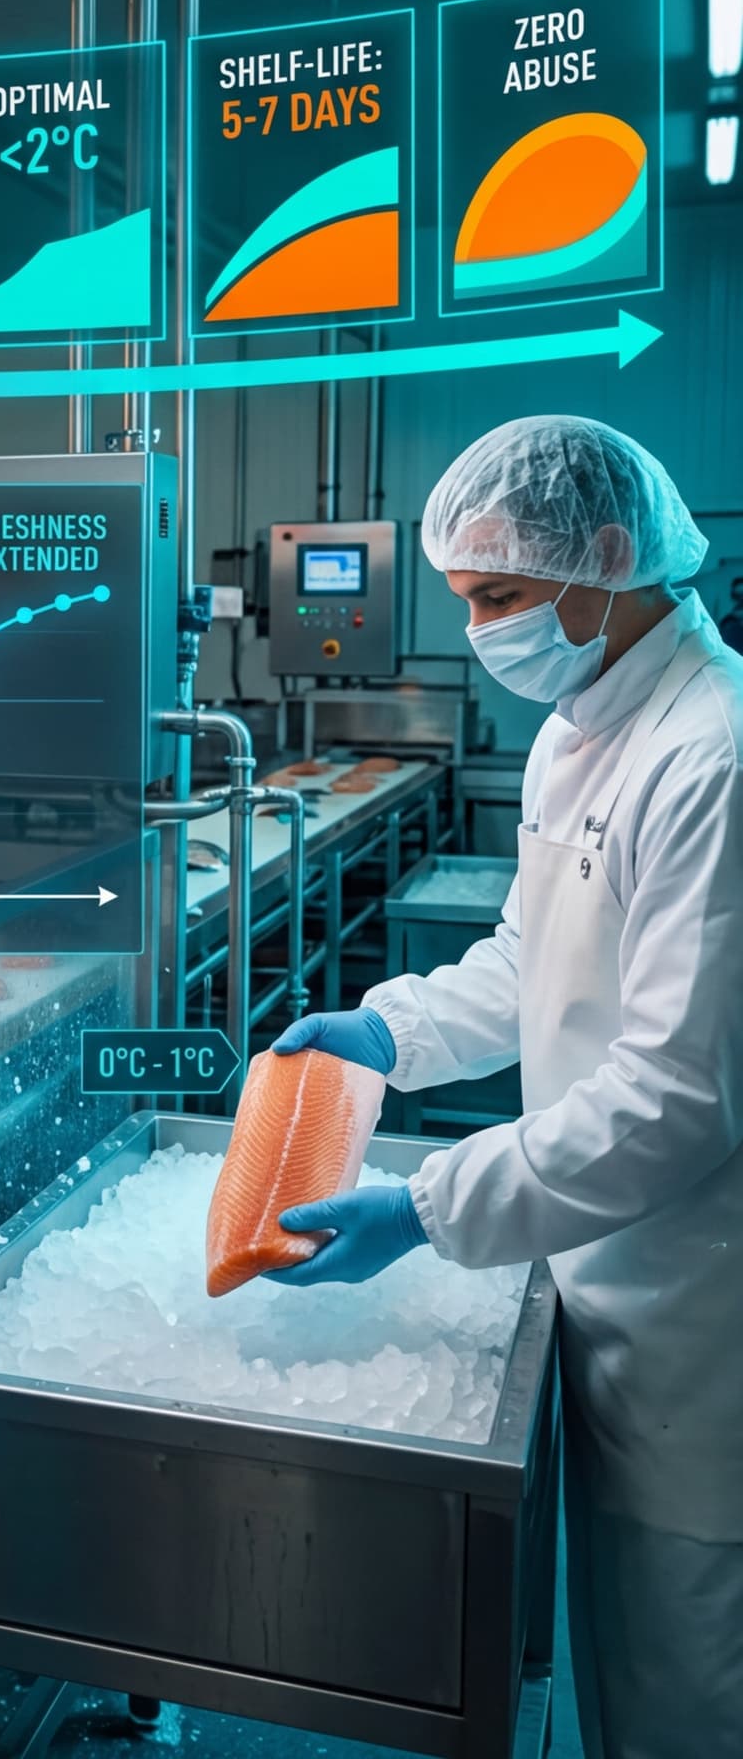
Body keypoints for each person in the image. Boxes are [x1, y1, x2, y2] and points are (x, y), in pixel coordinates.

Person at [266, 417, 743, 1759]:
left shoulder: (713, 754)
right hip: (600, 1278)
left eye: (498, 598)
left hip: (702, 1321)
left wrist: (427, 1205)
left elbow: (675, 1092)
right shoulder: (581, 731)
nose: (482, 632)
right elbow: (534, 956)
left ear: (604, 557)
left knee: (686, 1694)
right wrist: (384, 1032)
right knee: (622, 1660)